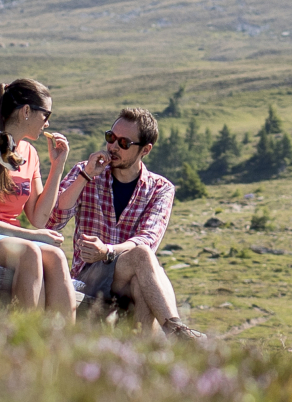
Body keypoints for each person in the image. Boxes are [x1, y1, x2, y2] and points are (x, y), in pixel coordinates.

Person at [48, 107, 205, 340]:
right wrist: (86, 175)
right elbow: (54, 221)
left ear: (145, 149)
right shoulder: (87, 171)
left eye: (124, 142)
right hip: (87, 275)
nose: (113, 147)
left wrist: (108, 251)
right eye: (111, 137)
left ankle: (141, 356)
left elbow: (148, 239)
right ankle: (175, 332)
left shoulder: (160, 188)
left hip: (128, 277)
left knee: (142, 279)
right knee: (143, 262)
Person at [0, 79, 76, 315]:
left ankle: (63, 342)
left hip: (12, 239)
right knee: (29, 251)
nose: (47, 123)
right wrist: (31, 236)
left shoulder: (29, 154)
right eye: (46, 114)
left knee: (55, 256)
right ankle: (25, 338)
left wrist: (58, 166)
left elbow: (39, 217)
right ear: (26, 111)